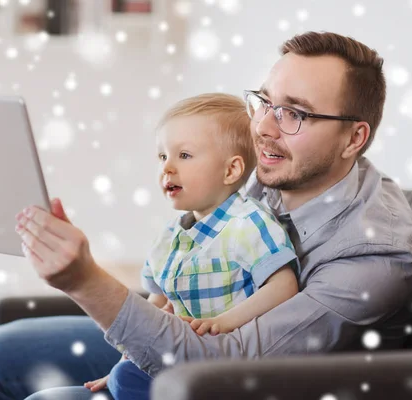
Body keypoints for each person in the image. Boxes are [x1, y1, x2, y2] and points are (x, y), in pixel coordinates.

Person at [0, 31, 412, 400]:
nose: (263, 127)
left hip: (235, 380)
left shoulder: (373, 257)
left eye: (294, 114)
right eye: (265, 102)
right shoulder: (274, 168)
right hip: (196, 329)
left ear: (353, 138)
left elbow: (219, 367)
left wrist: (85, 281)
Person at [83, 92, 299, 395]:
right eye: (163, 156)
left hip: (229, 366)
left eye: (184, 155)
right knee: (124, 376)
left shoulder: (248, 223)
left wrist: (223, 322)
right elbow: (154, 307)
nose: (167, 168)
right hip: (180, 357)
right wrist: (126, 360)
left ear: (231, 170)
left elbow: (284, 286)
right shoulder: (169, 238)